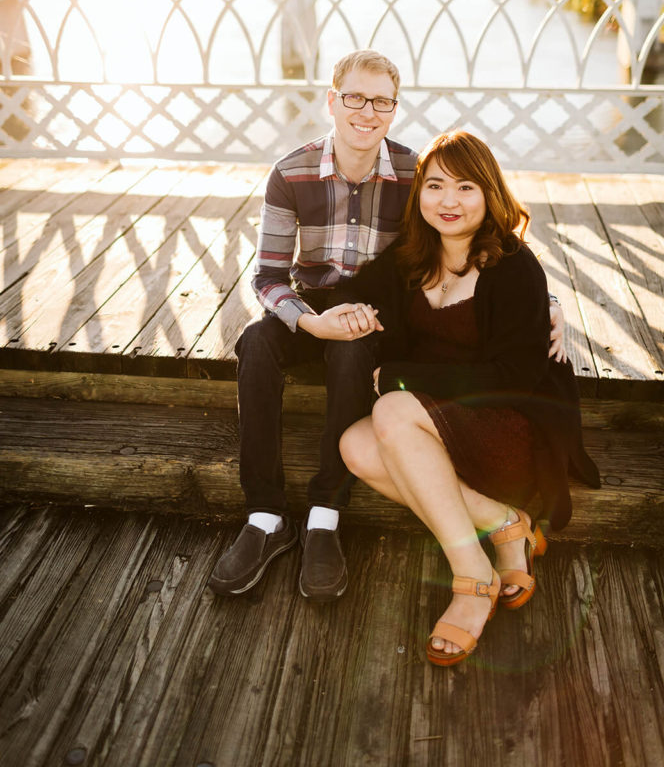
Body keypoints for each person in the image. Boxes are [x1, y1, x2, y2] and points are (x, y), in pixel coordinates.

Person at [208, 53, 567, 603]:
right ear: (332, 100)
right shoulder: (291, 172)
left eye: (381, 101)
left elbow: (478, 228)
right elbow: (268, 276)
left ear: (394, 110)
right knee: (256, 342)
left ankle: (325, 514)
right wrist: (310, 321)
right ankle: (264, 514)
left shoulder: (414, 173)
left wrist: (548, 301)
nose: (366, 111)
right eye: (354, 97)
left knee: (355, 352)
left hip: (380, 310)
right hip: (313, 303)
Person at [339, 130, 600, 664]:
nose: (449, 201)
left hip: (510, 427)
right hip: (436, 424)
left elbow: (516, 377)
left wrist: (400, 376)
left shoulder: (514, 266)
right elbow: (347, 294)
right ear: (421, 197)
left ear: (490, 195)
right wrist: (294, 309)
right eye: (435, 186)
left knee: (390, 406)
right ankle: (505, 526)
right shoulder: (413, 256)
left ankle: (469, 575)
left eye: (465, 187)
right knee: (356, 447)